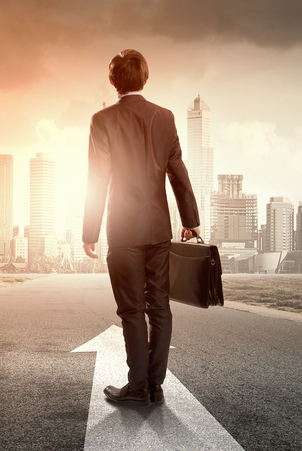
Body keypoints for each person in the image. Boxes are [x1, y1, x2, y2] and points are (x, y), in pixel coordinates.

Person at [82, 49, 200, 408]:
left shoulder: (102, 119)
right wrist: (190, 221)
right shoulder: (164, 117)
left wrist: (90, 232)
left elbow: (97, 179)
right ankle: (156, 386)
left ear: (112, 81)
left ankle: (138, 387)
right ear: (145, 79)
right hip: (158, 228)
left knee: (132, 310)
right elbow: (177, 170)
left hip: (123, 229)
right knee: (159, 306)